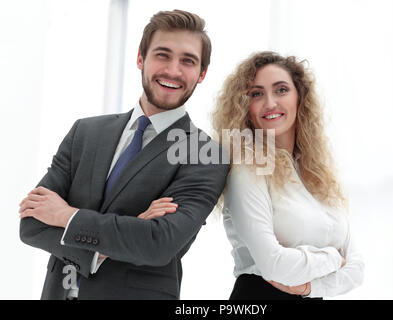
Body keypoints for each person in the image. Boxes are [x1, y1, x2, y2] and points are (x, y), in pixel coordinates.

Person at [18, 9, 229, 300]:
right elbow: (31, 223)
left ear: (202, 73)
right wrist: (115, 241)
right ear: (140, 58)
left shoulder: (205, 154)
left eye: (188, 61)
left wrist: (67, 215)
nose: (173, 70)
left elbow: (158, 243)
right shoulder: (85, 132)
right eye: (162, 55)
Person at [211, 51, 364, 299]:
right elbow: (274, 266)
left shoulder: (317, 174)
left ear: (299, 97)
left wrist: (312, 287)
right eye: (256, 94)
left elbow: (357, 270)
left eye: (281, 90)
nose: (270, 103)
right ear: (245, 107)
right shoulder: (247, 170)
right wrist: (334, 257)